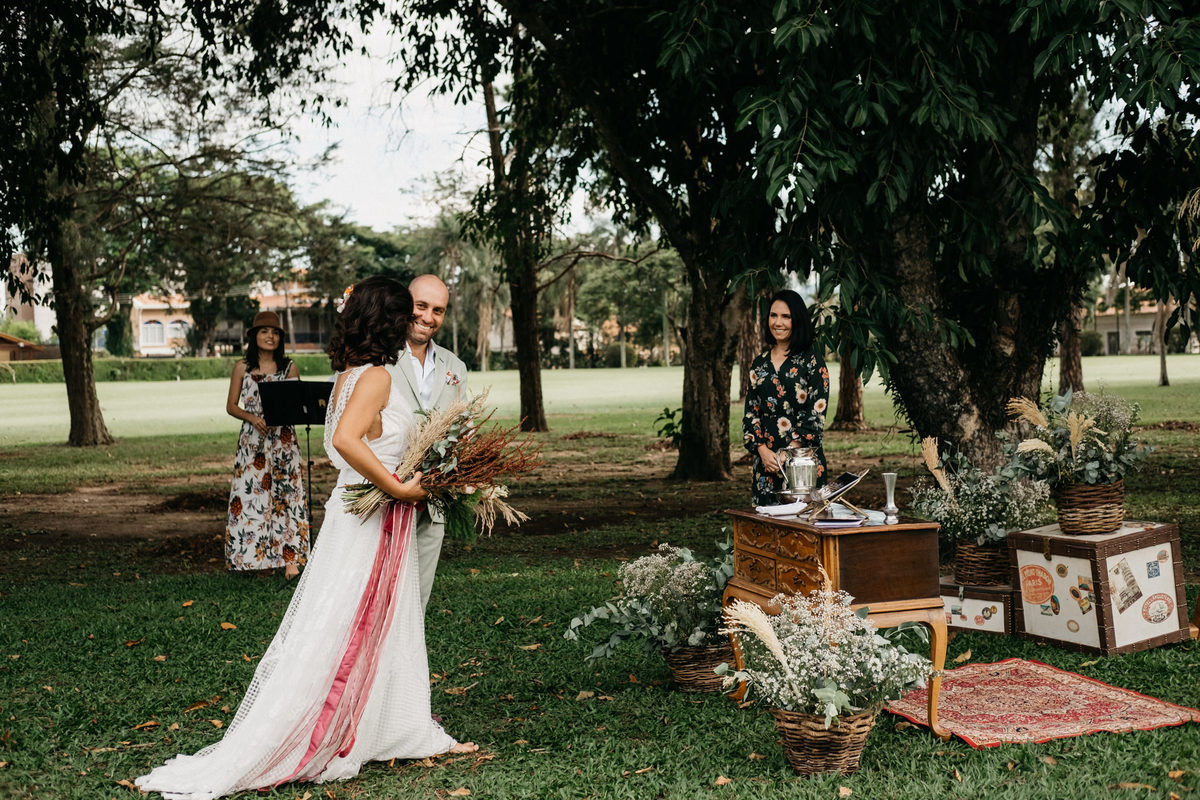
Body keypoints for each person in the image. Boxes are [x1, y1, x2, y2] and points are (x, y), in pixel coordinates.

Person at [137, 277, 476, 800]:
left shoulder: (350, 374)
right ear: (387, 319)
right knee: (360, 625)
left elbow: (343, 448)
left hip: (355, 517)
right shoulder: (379, 377)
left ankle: (393, 724)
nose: (414, 319)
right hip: (374, 516)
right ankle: (336, 731)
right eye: (405, 311)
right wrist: (397, 487)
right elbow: (345, 441)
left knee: (369, 623)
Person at [384, 273, 470, 613]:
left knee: (416, 600)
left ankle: (407, 665)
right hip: (383, 489)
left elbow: (464, 426)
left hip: (433, 498)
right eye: (421, 306)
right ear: (406, 304)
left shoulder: (455, 366)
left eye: (438, 310)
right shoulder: (378, 355)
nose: (428, 318)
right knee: (380, 592)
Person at [224, 310, 308, 579]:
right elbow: (230, 406)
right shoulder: (242, 367)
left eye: (275, 332)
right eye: (264, 331)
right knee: (253, 498)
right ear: (253, 336)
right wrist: (252, 417)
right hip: (253, 442)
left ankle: (290, 559)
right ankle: (258, 559)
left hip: (283, 441)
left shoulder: (289, 367)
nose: (270, 336)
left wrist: (284, 414)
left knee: (286, 496)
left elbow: (298, 402)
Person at [742, 289, 830, 506]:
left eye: (785, 316)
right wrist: (762, 450)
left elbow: (816, 414)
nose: (778, 322)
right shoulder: (759, 364)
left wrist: (789, 452)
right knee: (766, 534)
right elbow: (751, 414)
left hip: (803, 466)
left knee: (804, 531)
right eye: (773, 315)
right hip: (766, 466)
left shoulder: (811, 361)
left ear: (797, 320)